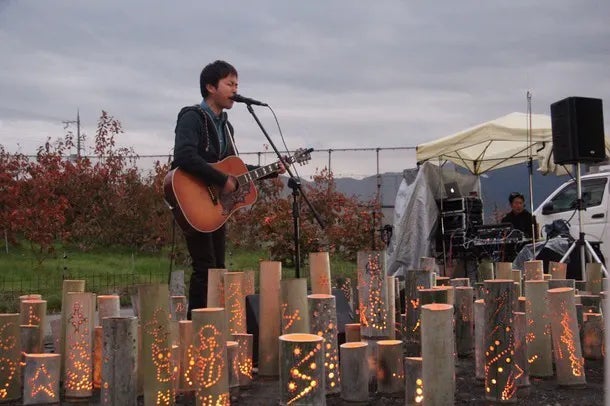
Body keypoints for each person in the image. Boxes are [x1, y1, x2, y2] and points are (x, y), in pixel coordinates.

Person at [171, 60, 283, 318]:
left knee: (218, 267)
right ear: (211, 87)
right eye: (230, 84)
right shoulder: (192, 117)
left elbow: (234, 168)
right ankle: (197, 328)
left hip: (216, 206)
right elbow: (184, 156)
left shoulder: (226, 126)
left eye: (237, 85)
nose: (235, 89)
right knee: (204, 267)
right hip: (194, 198)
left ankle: (215, 324)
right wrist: (221, 179)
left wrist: (271, 170)